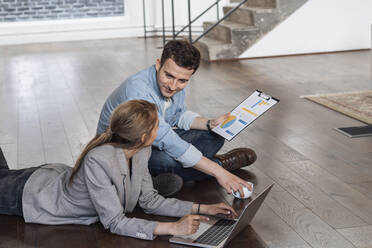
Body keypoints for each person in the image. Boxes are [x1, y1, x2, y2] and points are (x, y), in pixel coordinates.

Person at [0, 100, 238, 240]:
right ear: (145, 136)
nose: (161, 129)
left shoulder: (141, 151)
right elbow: (114, 222)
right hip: (29, 195)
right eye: (158, 125)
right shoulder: (98, 159)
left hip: (47, 176)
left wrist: (203, 208)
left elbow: (150, 201)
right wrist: (172, 228)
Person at [97, 40, 256, 197]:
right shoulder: (138, 91)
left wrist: (209, 124)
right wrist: (219, 172)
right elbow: (168, 140)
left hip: (152, 140)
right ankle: (220, 163)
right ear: (158, 64)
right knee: (169, 160)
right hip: (127, 153)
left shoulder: (173, 84)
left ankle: (163, 176)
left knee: (215, 135)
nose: (173, 86)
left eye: (182, 80)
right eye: (169, 76)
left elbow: (177, 116)